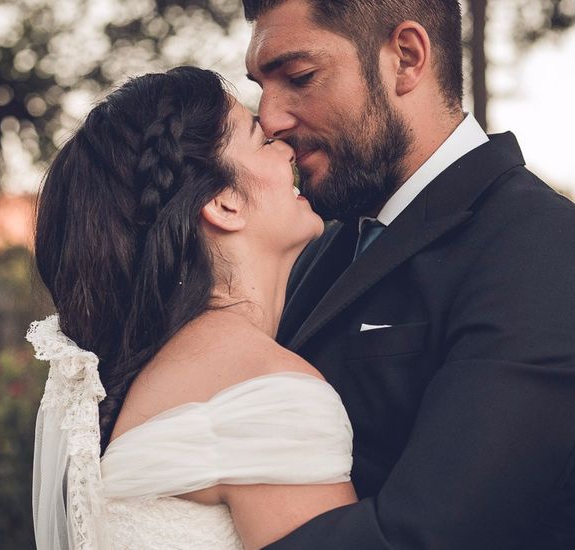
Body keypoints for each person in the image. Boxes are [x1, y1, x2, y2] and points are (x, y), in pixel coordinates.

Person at [242, 0, 575, 547]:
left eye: (300, 77)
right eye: (262, 85)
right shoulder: (321, 244)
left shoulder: (542, 247)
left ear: (406, 57)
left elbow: (428, 536)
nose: (270, 119)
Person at [30, 66, 357, 550]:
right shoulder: (262, 393)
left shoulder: (155, 373)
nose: (286, 147)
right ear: (224, 202)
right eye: (262, 141)